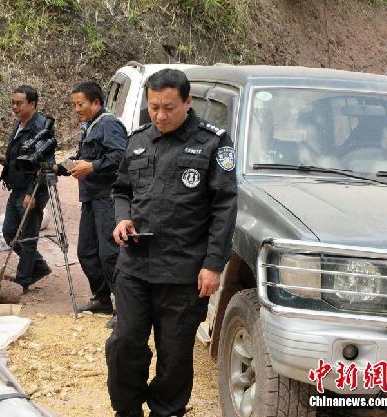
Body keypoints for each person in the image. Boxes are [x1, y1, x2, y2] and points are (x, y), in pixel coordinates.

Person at [106, 69, 237, 417]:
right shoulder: (137, 141)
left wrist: (213, 264)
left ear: (188, 102)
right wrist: (122, 218)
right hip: (135, 266)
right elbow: (121, 190)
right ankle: (128, 409)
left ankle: (166, 411)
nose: (160, 116)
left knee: (175, 354)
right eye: (153, 107)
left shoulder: (213, 143)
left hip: (184, 272)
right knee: (124, 343)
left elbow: (224, 206)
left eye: (169, 108)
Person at [57, 81, 127, 318]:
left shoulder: (109, 124)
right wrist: (61, 167)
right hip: (90, 197)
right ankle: (102, 298)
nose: (76, 109)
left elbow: (120, 156)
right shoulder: (90, 125)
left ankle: (124, 307)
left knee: (110, 253)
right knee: (87, 251)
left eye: (80, 104)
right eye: (74, 105)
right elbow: (84, 158)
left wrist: (93, 167)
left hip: (107, 198)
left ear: (96, 102)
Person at [0, 85, 53, 291]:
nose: (14, 107)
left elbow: (44, 164)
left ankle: (23, 279)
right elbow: (23, 157)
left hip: (32, 189)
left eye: (19, 103)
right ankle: (39, 266)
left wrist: (32, 192)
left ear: (32, 104)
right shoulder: (20, 124)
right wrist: (6, 160)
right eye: (13, 103)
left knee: (27, 236)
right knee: (9, 232)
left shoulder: (42, 128)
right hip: (17, 186)